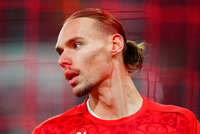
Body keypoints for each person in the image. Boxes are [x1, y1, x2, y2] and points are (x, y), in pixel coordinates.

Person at [32, 8, 199, 134]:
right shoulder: (51, 131)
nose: (62, 61)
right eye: (60, 52)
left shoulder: (180, 124)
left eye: (76, 45)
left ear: (115, 45)